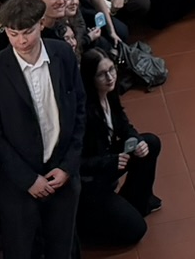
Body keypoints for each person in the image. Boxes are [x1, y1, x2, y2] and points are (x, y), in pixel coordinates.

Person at [0, 0, 84, 259]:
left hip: (62, 174)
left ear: (41, 24)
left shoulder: (63, 54)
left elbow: (79, 110)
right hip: (17, 183)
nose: (21, 41)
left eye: (27, 32)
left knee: (62, 249)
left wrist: (67, 166)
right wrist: (28, 179)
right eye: (13, 34)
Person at [77, 46, 163, 250]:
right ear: (90, 78)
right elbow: (77, 163)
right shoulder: (83, 112)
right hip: (91, 182)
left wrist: (135, 139)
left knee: (150, 143)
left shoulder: (109, 93)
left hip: (108, 159)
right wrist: (109, 161)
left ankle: (138, 202)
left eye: (111, 70)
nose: (110, 77)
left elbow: (124, 125)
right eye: (102, 74)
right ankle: (89, 226)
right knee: (136, 231)